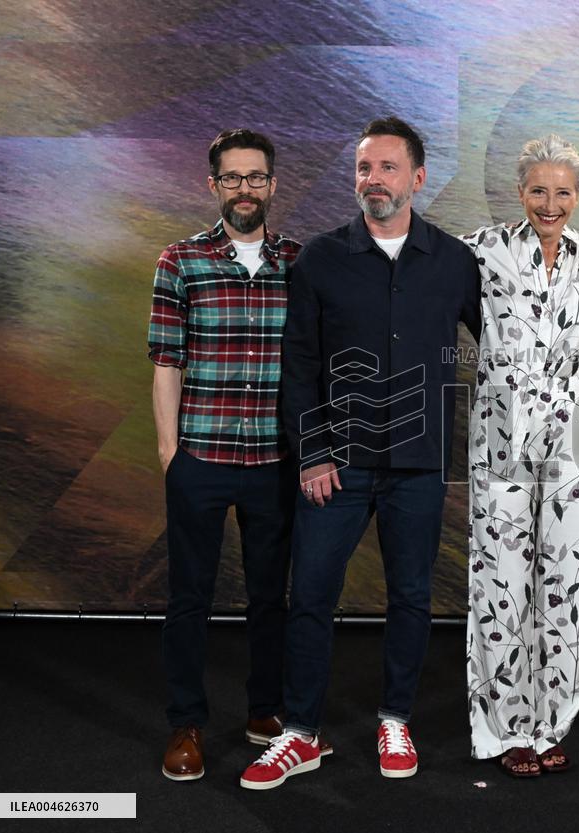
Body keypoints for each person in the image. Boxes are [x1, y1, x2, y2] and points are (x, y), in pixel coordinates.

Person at [238, 116, 481, 789]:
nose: (374, 179)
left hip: (419, 462)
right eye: (364, 168)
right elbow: (298, 363)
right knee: (311, 594)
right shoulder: (321, 259)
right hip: (336, 464)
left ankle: (395, 717)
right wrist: (312, 452)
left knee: (411, 596)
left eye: (388, 167)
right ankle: (301, 733)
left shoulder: (454, 261)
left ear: (418, 178)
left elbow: (507, 341)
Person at [149, 128, 333, 781]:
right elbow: (166, 361)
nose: (245, 189)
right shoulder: (181, 260)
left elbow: (314, 363)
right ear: (214, 185)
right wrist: (170, 452)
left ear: (273, 184)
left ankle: (264, 712)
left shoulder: (300, 262)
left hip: (274, 462)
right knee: (189, 598)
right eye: (233, 178)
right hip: (200, 457)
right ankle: (185, 724)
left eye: (256, 177)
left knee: (269, 598)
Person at [461, 135, 579, 777]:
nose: (550, 203)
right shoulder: (481, 249)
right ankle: (505, 729)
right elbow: (418, 278)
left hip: (573, 438)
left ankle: (551, 724)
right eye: (539, 190)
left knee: (566, 577)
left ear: (577, 196)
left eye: (562, 192)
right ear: (520, 193)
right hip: (502, 434)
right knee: (501, 579)